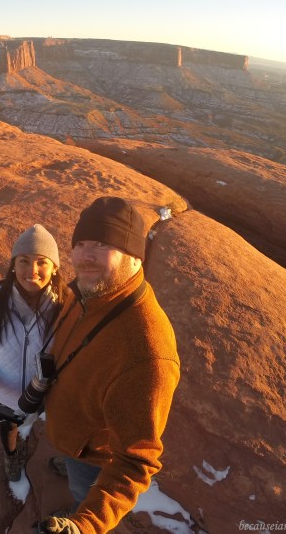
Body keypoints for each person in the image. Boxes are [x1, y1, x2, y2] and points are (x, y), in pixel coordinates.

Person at [36, 197, 181, 534]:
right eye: (81, 244)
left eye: (102, 245)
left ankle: (78, 501)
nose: (85, 256)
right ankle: (71, 460)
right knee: (74, 465)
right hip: (75, 432)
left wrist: (85, 525)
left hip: (96, 456)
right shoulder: (91, 291)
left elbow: (135, 462)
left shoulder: (145, 353)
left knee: (82, 490)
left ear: (134, 257)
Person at [0, 224, 66, 482]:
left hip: (50, 397)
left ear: (54, 267)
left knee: (61, 429)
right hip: (5, 395)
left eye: (41, 262)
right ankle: (11, 457)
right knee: (8, 428)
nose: (31, 270)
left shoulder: (65, 310)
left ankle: (71, 462)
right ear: (13, 265)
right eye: (23, 261)